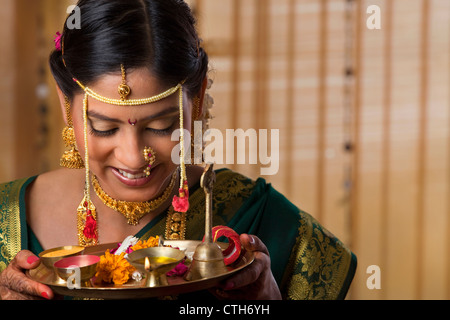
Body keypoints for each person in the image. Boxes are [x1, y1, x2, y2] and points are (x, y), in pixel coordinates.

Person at [0, 0, 356, 300]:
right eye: (105, 127)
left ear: (197, 98)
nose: (134, 156)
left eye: (161, 126)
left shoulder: (258, 217)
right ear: (66, 103)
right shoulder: (7, 221)